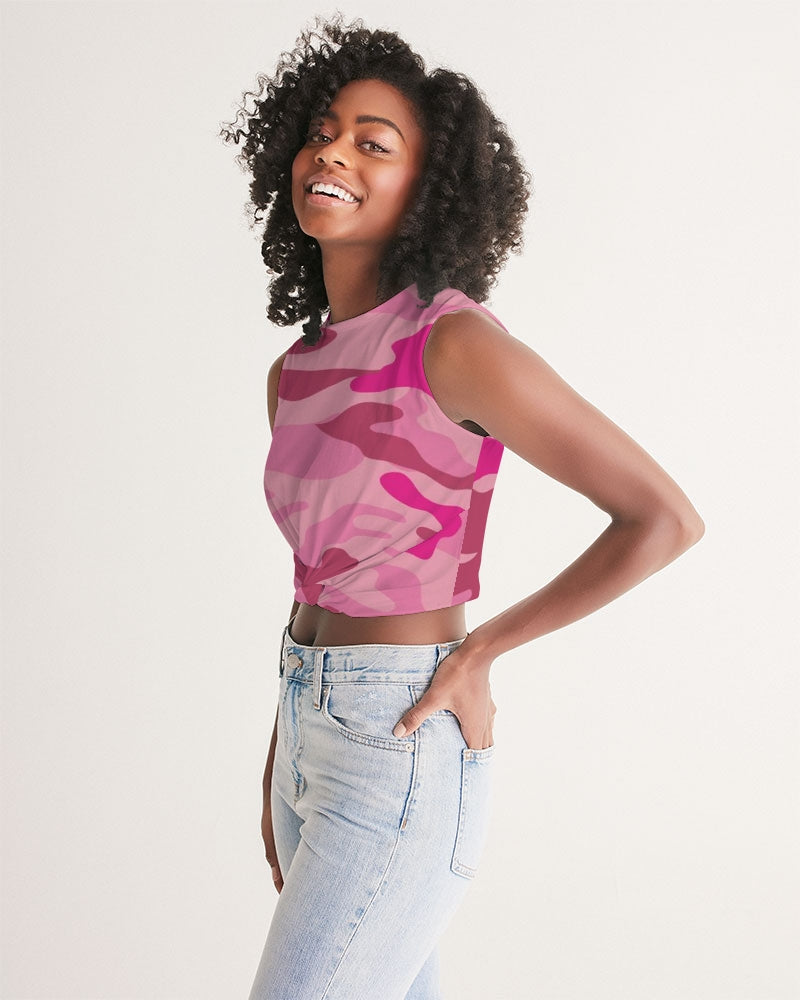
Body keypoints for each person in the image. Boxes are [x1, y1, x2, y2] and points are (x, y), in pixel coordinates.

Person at [220, 14, 705, 1000]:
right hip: (309, 727)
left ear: (425, 188)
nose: (333, 154)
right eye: (321, 132)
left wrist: (479, 652)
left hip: (396, 738)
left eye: (373, 144)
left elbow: (660, 517)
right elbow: (318, 574)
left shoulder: (451, 343)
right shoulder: (293, 373)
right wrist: (283, 739)